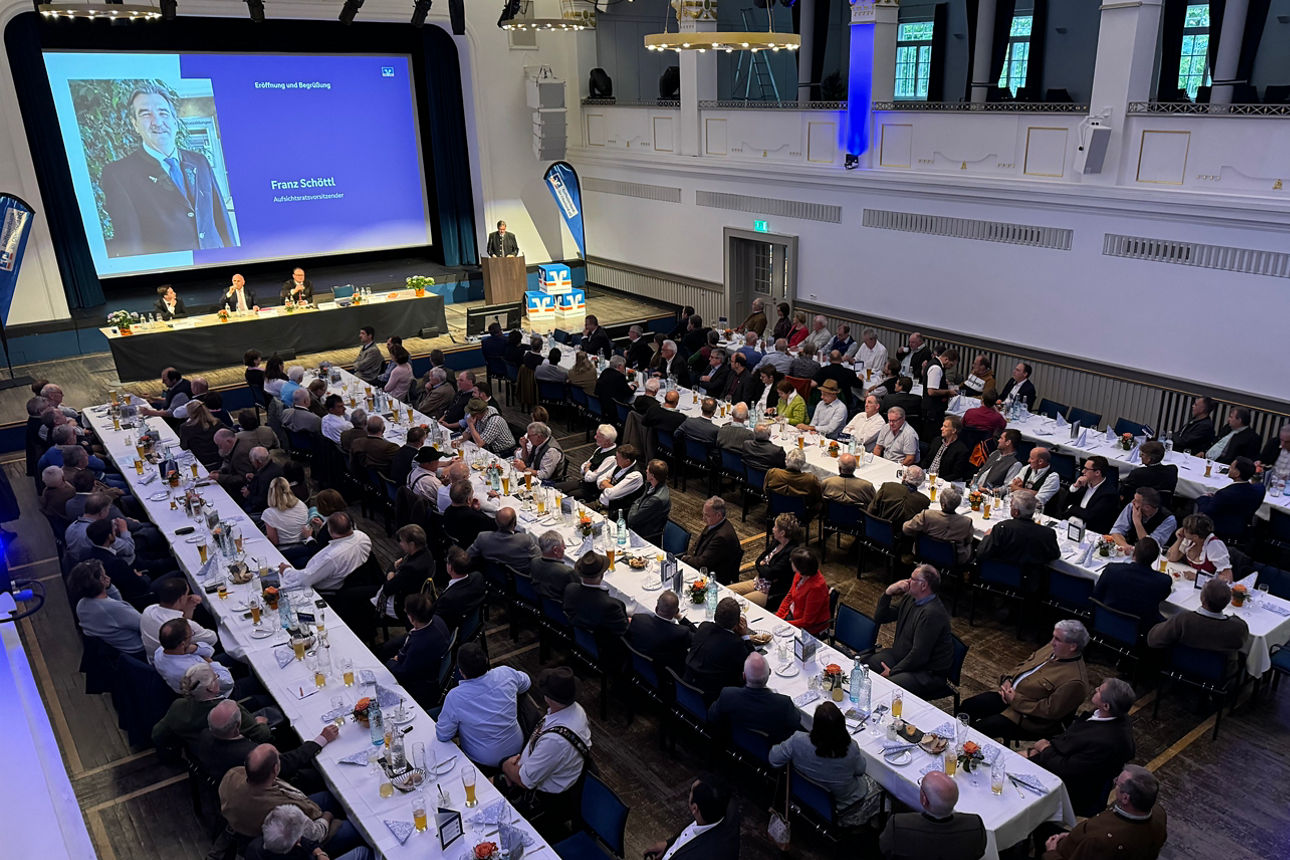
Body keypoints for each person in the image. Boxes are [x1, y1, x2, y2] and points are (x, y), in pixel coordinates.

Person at [99, 86, 234, 257]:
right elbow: (131, 247)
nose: (157, 122)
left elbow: (221, 219)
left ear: (175, 121)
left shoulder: (199, 161)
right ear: (135, 125)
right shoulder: (118, 174)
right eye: (145, 114)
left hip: (218, 265)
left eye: (163, 113)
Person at [959, 620, 1091, 741]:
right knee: (968, 706)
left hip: (1027, 718)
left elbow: (1049, 711)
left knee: (981, 730)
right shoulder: (1052, 649)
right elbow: (1024, 665)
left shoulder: (1075, 681)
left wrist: (1015, 700)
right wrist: (1008, 679)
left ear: (1072, 646)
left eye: (1057, 639)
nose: (1052, 642)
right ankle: (955, 741)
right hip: (1008, 695)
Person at [1025, 678, 1137, 817]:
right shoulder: (1109, 714)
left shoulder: (1106, 743)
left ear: (1106, 706)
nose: (1095, 689)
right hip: (1061, 756)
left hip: (1071, 786)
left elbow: (1066, 769)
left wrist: (1044, 749)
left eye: (1099, 690)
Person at [219, 745, 361, 852]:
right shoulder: (284, 810)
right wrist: (327, 816)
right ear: (275, 769)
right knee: (355, 829)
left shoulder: (233, 775)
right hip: (297, 841)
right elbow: (315, 834)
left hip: (248, 828)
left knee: (328, 797)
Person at [499, 667, 592, 828]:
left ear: (549, 698)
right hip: (535, 772)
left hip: (547, 801)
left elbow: (525, 781)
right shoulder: (576, 710)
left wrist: (506, 767)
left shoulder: (555, 741)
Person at [769, 701, 878, 828]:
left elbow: (774, 758)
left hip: (806, 794)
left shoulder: (797, 740)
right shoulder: (850, 748)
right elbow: (860, 770)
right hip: (844, 807)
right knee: (881, 786)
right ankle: (875, 826)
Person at [436, 642, 531, 768]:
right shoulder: (505, 673)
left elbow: (443, 734)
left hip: (484, 761)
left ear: (460, 671)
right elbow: (526, 683)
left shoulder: (455, 697)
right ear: (486, 660)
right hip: (517, 746)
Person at [197, 699, 336, 785]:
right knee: (323, 774)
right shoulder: (250, 753)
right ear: (237, 726)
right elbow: (285, 765)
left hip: (223, 774)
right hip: (273, 784)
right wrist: (321, 739)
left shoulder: (204, 734)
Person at [1041, 766, 1167, 860]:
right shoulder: (1159, 814)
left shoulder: (1100, 841)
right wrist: (1073, 836)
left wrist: (1051, 852)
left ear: (1125, 798)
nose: (1115, 783)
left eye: (1118, 783)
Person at [866, 564, 953, 696]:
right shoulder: (911, 598)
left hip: (925, 672)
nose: (907, 581)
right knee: (870, 664)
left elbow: (919, 655)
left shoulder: (932, 614)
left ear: (923, 586)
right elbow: (881, 617)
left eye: (912, 579)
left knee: (889, 686)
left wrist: (893, 671)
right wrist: (888, 592)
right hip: (903, 657)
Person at [153, 663, 273, 754]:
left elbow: (157, 735)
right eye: (216, 677)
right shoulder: (227, 711)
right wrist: (261, 723)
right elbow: (262, 735)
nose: (217, 679)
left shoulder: (177, 706)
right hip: (235, 754)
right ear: (211, 688)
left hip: (202, 755)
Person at [879, 770, 986, 860]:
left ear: (924, 800)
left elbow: (884, 849)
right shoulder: (975, 825)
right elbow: (979, 853)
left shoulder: (898, 825)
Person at [1147, 578, 1248, 672]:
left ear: (1202, 599)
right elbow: (1241, 644)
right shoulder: (1238, 628)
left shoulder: (1184, 619)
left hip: (1180, 666)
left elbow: (1153, 639)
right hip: (1216, 673)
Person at [708, 653, 800, 745]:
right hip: (770, 750)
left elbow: (712, 716)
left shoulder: (728, 695)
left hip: (734, 743)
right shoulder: (783, 704)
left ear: (744, 676)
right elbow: (796, 723)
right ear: (769, 673)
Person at [976, 488, 1060, 587]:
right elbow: (1054, 556)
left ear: (1015, 512)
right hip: (1029, 582)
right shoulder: (1047, 533)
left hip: (997, 574)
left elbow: (981, 553)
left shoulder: (1003, 528)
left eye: (1011, 506)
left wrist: (987, 537)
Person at [277, 512, 372, 593]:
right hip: (354, 579)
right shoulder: (363, 537)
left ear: (329, 531)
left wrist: (286, 571)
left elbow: (305, 579)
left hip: (322, 588)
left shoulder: (331, 557)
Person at [385, 593, 452, 705]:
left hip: (422, 683)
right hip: (430, 660)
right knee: (389, 646)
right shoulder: (437, 619)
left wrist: (391, 662)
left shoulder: (418, 646)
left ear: (411, 617)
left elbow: (403, 672)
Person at [68, 560, 144, 655]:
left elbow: (119, 603)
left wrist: (109, 587)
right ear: (101, 580)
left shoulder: (81, 605)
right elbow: (143, 624)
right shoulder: (112, 608)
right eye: (104, 575)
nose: (108, 577)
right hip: (137, 650)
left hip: (117, 652)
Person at [244, 804, 372, 860]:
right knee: (362, 852)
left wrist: (318, 852)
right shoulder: (296, 855)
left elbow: (301, 841)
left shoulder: (256, 846)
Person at [685, 597, 755, 699]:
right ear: (737, 623)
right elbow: (754, 665)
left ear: (715, 615)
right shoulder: (735, 644)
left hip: (687, 685)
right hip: (712, 697)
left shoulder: (704, 627)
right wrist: (745, 636)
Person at [1094, 538, 1173, 627]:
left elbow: (1096, 595)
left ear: (1134, 553)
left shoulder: (1112, 569)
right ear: (1155, 559)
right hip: (1141, 627)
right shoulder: (1163, 581)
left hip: (1105, 621)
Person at [730, 513, 800, 611]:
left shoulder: (790, 552)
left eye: (775, 527)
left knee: (739, 604)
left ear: (782, 533)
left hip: (769, 591)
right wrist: (763, 567)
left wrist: (763, 566)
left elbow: (770, 573)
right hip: (758, 582)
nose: (773, 529)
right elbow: (758, 560)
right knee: (727, 592)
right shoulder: (776, 542)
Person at [140, 576, 217, 662]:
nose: (189, 597)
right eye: (187, 594)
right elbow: (212, 639)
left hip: (155, 660)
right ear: (180, 599)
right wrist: (188, 610)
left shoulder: (149, 609)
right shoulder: (181, 626)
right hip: (181, 665)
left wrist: (189, 608)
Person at [625, 591, 695, 678]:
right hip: (665, 676)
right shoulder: (681, 633)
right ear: (676, 611)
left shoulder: (638, 619)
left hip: (637, 667)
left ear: (656, 608)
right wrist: (680, 617)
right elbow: (699, 638)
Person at [1196, 456, 1266, 539]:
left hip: (1219, 530)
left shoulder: (1224, 494)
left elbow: (1206, 511)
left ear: (1237, 473)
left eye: (1232, 467)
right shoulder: (1260, 489)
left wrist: (1203, 498)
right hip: (1242, 528)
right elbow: (1258, 485)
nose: (1229, 468)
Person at [562, 552, 630, 637]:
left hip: (579, 638)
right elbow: (623, 630)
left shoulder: (570, 589)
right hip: (604, 646)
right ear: (602, 575)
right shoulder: (611, 606)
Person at [903, 486, 973, 564]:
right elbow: (969, 541)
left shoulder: (927, 515)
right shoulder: (966, 522)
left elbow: (906, 528)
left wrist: (918, 535)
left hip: (925, 551)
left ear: (942, 504)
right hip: (953, 558)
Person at [681, 497, 741, 585]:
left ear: (719, 515)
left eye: (707, 515)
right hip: (702, 565)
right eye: (703, 514)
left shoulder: (722, 537)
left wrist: (685, 559)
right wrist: (688, 556)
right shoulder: (714, 523)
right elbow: (696, 544)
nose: (703, 518)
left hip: (714, 578)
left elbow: (703, 563)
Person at [776, 547, 830, 635]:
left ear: (800, 567)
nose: (790, 562)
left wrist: (784, 624)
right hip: (792, 616)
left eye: (793, 562)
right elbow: (789, 596)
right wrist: (778, 616)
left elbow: (808, 621)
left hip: (808, 627)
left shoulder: (816, 588)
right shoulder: (799, 574)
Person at [1061, 455, 1122, 532]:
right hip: (1071, 523)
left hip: (1090, 530)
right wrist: (1075, 486)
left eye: (1086, 469)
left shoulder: (1109, 493)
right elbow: (1064, 505)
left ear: (1097, 473)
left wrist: (1071, 508)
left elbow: (1091, 516)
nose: (1083, 471)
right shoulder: (1083, 483)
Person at [432, 547, 487, 631]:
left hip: (451, 629)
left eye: (447, 562)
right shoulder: (478, 577)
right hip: (471, 622)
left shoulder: (448, 598)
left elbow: (436, 620)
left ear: (450, 568)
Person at [1165, 513, 1233, 581]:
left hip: (1207, 587)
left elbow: (1227, 578)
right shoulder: (1189, 539)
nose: (1182, 530)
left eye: (1185, 529)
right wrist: (1179, 539)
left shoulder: (1214, 546)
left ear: (1195, 536)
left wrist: (1197, 577)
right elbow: (1171, 558)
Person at [1109, 487, 1177, 550]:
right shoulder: (1132, 506)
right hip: (1128, 549)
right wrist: (1126, 547)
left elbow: (1149, 547)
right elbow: (1116, 531)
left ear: (1147, 507)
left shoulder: (1168, 520)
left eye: (1136, 500)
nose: (1133, 502)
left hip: (1152, 558)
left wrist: (1137, 522)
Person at [765, 448, 822, 519]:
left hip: (775, 508)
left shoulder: (773, 473)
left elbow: (765, 490)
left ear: (786, 461)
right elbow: (817, 499)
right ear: (803, 464)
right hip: (800, 515)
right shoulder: (810, 480)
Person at [868, 466, 930, 531]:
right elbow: (918, 526)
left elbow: (871, 509)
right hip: (900, 536)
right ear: (921, 483)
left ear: (904, 476)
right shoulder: (924, 501)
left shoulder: (887, 486)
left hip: (874, 529)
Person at [626, 459, 671, 545]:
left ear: (652, 476)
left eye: (648, 470)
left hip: (644, 537)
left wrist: (636, 503)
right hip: (640, 527)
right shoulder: (652, 485)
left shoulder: (656, 499)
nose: (646, 471)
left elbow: (632, 519)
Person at [530, 531, 577, 603]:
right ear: (555, 550)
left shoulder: (534, 562)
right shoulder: (567, 572)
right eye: (563, 545)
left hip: (543, 604)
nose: (565, 547)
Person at [921, 415, 971, 482]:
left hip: (942, 481)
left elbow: (956, 474)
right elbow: (927, 459)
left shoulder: (961, 450)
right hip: (926, 476)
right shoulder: (936, 441)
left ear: (953, 430)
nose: (941, 428)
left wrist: (938, 480)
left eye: (945, 426)